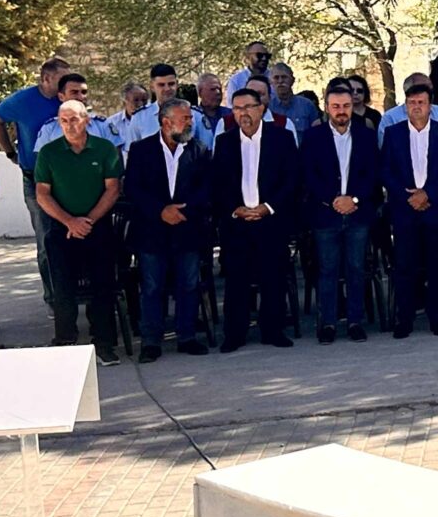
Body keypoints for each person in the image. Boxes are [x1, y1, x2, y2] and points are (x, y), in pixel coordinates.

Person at [211, 84, 302, 351]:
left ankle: (272, 330)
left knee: (273, 277)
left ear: (261, 108)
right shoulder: (225, 142)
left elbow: (292, 179)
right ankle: (235, 334)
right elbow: (218, 184)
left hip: (271, 220)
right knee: (236, 280)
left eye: (248, 107)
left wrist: (268, 207)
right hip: (237, 222)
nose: (243, 113)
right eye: (237, 108)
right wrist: (235, 208)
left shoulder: (281, 138)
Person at [34, 98, 125, 366]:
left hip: (98, 227)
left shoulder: (104, 149)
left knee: (102, 286)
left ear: (86, 120)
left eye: (74, 119)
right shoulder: (49, 152)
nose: (69, 125)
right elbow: (42, 194)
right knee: (62, 287)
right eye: (64, 121)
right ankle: (65, 340)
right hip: (62, 229)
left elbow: (113, 189)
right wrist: (70, 222)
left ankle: (104, 344)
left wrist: (88, 221)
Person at [123, 98, 213, 360]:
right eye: (185, 119)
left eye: (190, 118)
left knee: (189, 284)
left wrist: (183, 211)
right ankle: (151, 341)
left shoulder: (199, 150)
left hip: (187, 229)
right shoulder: (141, 150)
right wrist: (161, 210)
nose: (190, 123)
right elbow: (133, 189)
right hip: (152, 231)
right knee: (152, 287)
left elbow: (207, 188)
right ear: (166, 122)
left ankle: (187, 337)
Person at [380, 81, 438, 337]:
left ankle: (437, 319)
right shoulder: (393, 133)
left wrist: (428, 193)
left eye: (421, 103)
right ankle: (404, 320)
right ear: (405, 106)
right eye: (412, 103)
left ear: (430, 106)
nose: (416, 107)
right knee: (405, 266)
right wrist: (408, 196)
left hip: (436, 208)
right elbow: (386, 170)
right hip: (405, 209)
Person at [304, 78, 382, 343]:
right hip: (326, 214)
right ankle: (327, 324)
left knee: (356, 268)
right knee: (327, 270)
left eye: (346, 106)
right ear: (327, 107)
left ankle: (355, 322)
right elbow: (309, 175)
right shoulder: (313, 137)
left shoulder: (366, 135)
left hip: (358, 213)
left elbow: (373, 174)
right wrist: (333, 199)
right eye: (336, 106)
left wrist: (354, 199)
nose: (341, 111)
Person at [0, 55, 69, 310]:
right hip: (35, 178)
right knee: (46, 239)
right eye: (61, 79)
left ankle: (77, 291)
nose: (65, 83)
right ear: (46, 78)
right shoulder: (23, 100)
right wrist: (9, 151)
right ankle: (54, 298)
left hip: (69, 178)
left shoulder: (67, 99)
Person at [123, 63, 217, 151]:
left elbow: (207, 150)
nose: (167, 89)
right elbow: (131, 154)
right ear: (152, 87)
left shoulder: (195, 116)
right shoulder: (139, 118)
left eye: (171, 84)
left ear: (177, 84)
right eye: (161, 85)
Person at [32, 74, 115, 151]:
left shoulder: (102, 126)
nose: (81, 97)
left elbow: (115, 157)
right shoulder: (50, 129)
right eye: (74, 92)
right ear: (61, 97)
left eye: (84, 92)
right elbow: (41, 159)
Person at [377, 73, 438, 140]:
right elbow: (385, 148)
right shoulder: (391, 117)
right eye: (422, 89)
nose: (429, 92)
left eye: (431, 89)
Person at [267, 64, 321, 136]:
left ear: (292, 80)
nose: (280, 81)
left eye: (284, 77)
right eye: (276, 78)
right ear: (270, 82)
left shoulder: (307, 106)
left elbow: (317, 134)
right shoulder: (268, 107)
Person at [105, 81, 152, 145]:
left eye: (144, 100)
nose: (141, 104)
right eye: (136, 100)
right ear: (124, 101)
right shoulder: (112, 123)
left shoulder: (154, 120)